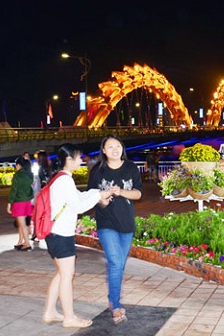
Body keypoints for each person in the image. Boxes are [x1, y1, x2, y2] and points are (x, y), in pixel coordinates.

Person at [44, 143, 113, 329]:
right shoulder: (64, 180)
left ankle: (50, 311)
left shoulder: (60, 178)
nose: (81, 160)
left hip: (55, 233)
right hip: (60, 234)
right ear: (69, 160)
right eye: (78, 157)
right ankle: (69, 317)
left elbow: (79, 197)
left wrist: (98, 193)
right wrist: (99, 197)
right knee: (67, 275)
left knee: (61, 273)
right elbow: (79, 207)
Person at [88, 135, 143, 324]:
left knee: (119, 264)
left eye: (118, 145)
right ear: (103, 150)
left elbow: (138, 193)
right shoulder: (97, 171)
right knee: (115, 262)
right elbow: (92, 196)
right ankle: (116, 304)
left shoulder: (131, 168)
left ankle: (113, 298)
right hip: (106, 223)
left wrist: (120, 192)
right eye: (110, 146)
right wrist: (102, 200)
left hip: (127, 224)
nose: (114, 149)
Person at [7, 157, 34, 251]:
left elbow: (14, 190)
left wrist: (9, 203)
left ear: (19, 165)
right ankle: (22, 242)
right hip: (27, 201)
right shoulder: (30, 175)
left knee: (22, 224)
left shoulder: (17, 176)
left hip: (19, 202)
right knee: (23, 223)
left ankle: (27, 243)